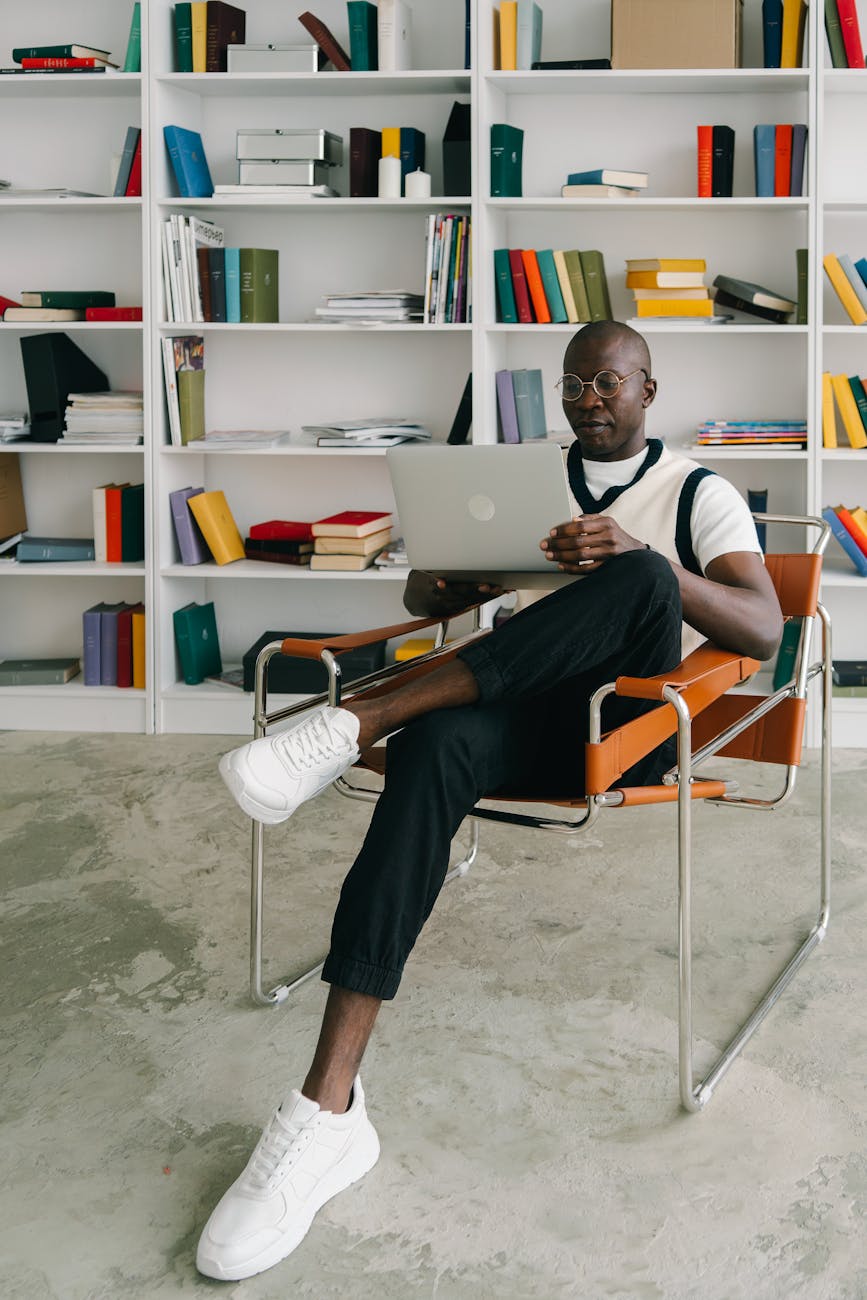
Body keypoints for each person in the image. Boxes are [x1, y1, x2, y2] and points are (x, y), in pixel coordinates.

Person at [196, 321, 783, 1281]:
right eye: (573, 385)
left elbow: (761, 626)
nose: (588, 399)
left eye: (607, 382)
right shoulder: (525, 477)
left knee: (639, 574)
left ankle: (354, 719)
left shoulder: (696, 491)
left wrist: (648, 557)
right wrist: (449, 578)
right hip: (508, 705)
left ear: (647, 389)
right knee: (432, 749)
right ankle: (325, 1112)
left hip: (616, 724)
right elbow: (424, 597)